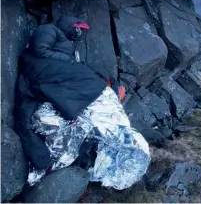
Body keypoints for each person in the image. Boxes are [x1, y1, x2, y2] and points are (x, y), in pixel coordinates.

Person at [15, 15, 125, 169]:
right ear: (70, 26)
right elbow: (40, 50)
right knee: (84, 79)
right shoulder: (48, 29)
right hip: (39, 66)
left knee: (89, 77)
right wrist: (68, 61)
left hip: (54, 67)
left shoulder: (69, 44)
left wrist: (72, 62)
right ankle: (92, 101)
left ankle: (100, 98)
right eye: (78, 29)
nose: (79, 33)